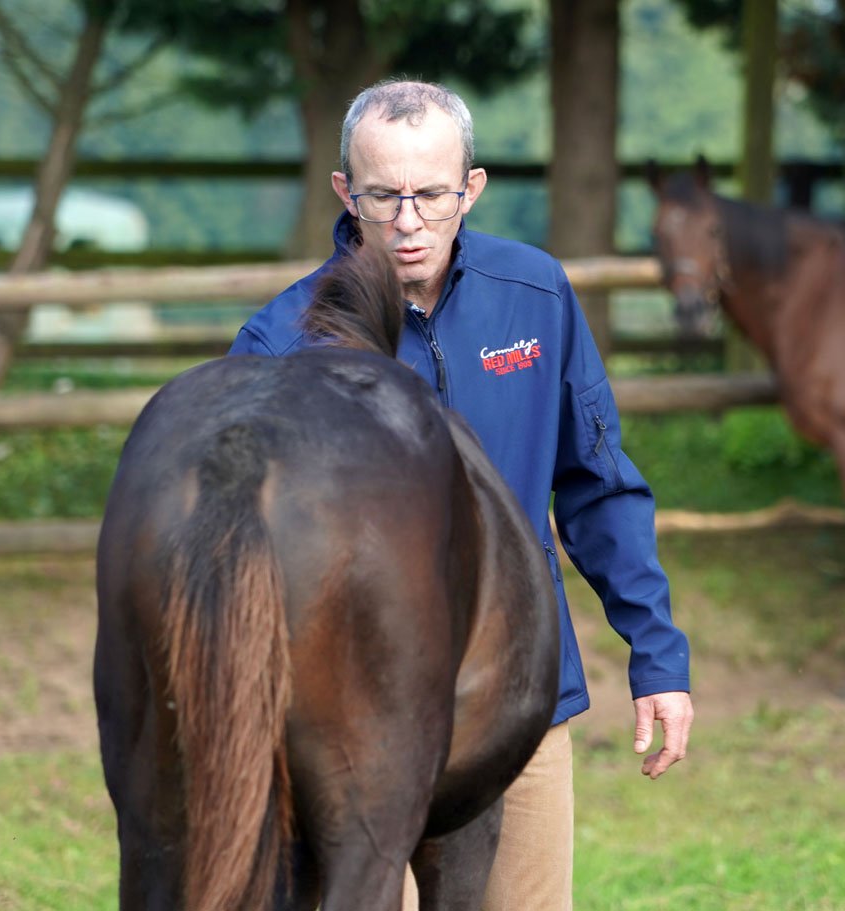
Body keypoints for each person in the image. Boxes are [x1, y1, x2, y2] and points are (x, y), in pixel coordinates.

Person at [228, 78, 694, 910]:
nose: (408, 222)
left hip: (519, 696)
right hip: (350, 720)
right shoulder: (279, 343)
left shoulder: (538, 296)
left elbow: (599, 487)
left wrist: (656, 653)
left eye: (432, 195)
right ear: (345, 192)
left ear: (471, 188)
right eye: (383, 196)